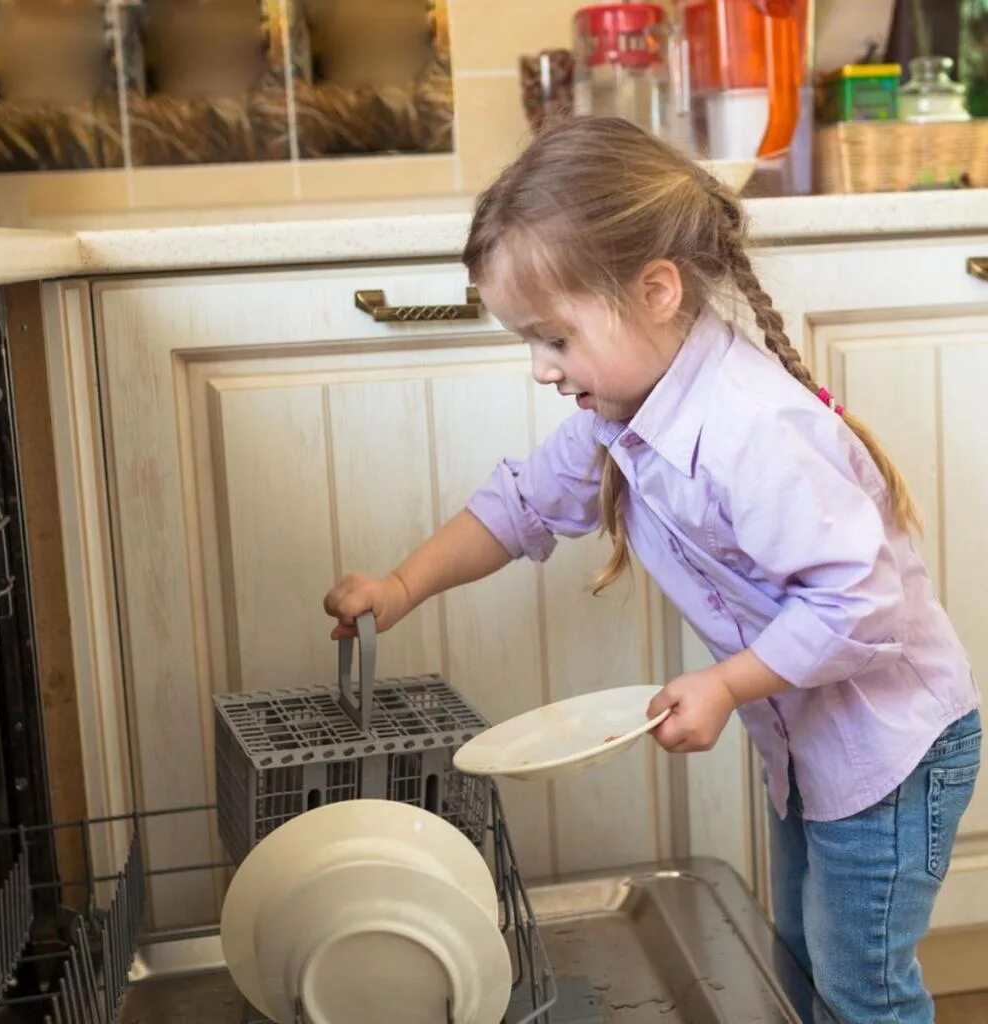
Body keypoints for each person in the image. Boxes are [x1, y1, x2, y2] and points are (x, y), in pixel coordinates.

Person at [323, 116, 980, 1023]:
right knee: (797, 946)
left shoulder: (752, 430)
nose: (541, 370)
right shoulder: (621, 411)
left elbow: (858, 605)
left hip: (890, 750)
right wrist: (401, 586)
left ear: (657, 291)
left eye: (553, 338)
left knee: (860, 979)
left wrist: (724, 685)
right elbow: (519, 506)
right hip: (814, 743)